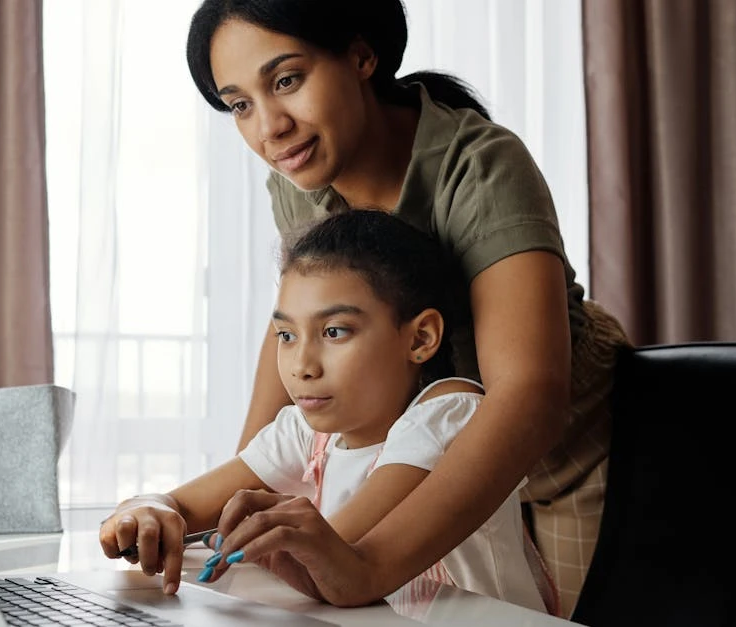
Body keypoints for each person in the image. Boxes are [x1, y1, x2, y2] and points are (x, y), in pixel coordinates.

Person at [180, 0, 631, 616]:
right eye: (240, 104)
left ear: (363, 55)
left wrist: (365, 565)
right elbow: (293, 325)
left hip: (561, 455)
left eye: (286, 80)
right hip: (419, 455)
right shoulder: (296, 179)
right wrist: (236, 508)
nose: (269, 127)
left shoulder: (480, 167)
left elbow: (527, 394)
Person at [99, 210, 554, 613]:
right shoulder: (307, 433)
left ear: (419, 338)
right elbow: (183, 504)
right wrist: (147, 511)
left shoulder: (449, 414)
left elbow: (337, 556)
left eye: (335, 331)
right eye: (286, 335)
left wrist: (247, 537)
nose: (301, 366)